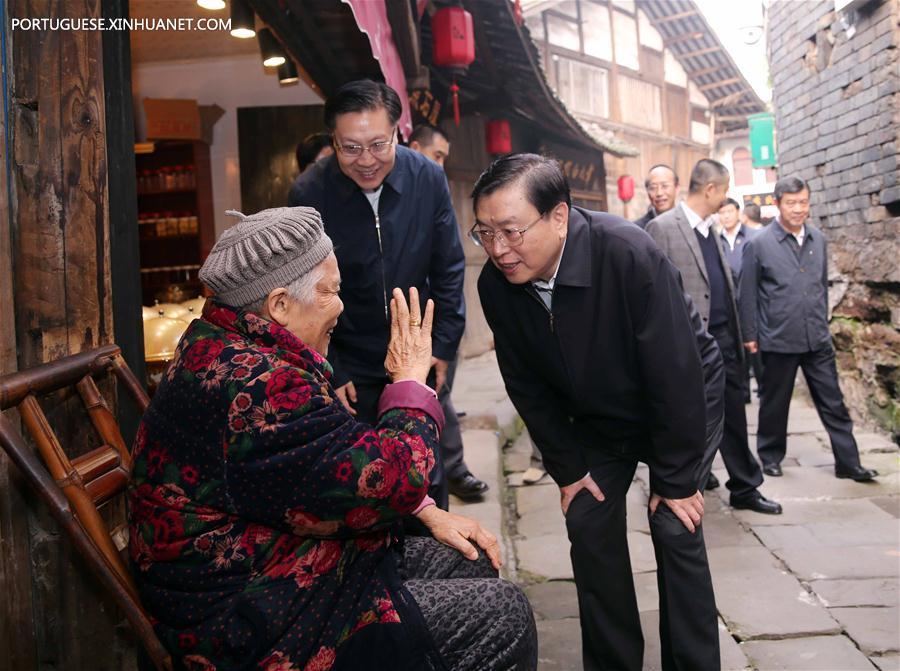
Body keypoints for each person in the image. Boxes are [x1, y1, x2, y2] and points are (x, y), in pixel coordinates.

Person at [128, 206, 537, 671]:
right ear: (280, 305)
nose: (341, 306)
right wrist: (409, 381)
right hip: (254, 618)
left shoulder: (217, 340)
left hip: (283, 565)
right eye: (330, 292)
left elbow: (328, 459)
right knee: (504, 616)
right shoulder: (262, 385)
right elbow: (391, 479)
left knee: (472, 559)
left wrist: (424, 509)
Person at [475, 154, 723, 671]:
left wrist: (676, 480)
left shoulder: (628, 253)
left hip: (677, 399)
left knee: (675, 525)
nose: (498, 249)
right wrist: (567, 468)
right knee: (587, 518)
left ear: (558, 217)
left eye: (512, 232)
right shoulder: (496, 285)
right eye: (485, 233)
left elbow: (675, 370)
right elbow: (525, 384)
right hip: (596, 416)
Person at [287, 79, 479, 507]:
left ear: (397, 132)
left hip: (416, 350)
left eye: (379, 144)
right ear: (332, 140)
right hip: (350, 359)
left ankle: (432, 548)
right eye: (351, 148)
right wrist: (331, 368)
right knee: (363, 480)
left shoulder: (427, 177)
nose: (367, 160)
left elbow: (448, 267)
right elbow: (303, 294)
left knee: (425, 470)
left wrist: (442, 346)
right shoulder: (309, 193)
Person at [646, 161, 781, 516]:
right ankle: (680, 489)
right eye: (723, 190)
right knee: (692, 421)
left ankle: (745, 487)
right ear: (709, 190)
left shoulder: (711, 228)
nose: (725, 198)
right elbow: (652, 292)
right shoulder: (663, 227)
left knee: (733, 415)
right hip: (690, 345)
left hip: (725, 341)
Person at [740, 176, 878, 482]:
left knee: (833, 402)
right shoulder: (759, 244)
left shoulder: (818, 239)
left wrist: (822, 321)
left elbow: (821, 286)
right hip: (778, 336)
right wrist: (750, 335)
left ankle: (848, 462)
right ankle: (770, 456)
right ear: (777, 204)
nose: (798, 209)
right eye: (791, 203)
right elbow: (747, 294)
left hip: (816, 336)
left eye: (803, 202)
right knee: (775, 403)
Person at [407, 122, 488, 501]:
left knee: (440, 395)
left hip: (436, 323)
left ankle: (449, 471)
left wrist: (446, 336)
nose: (440, 165)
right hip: (402, 327)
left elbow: (450, 266)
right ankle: (438, 475)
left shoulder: (431, 191)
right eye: (436, 155)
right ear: (413, 148)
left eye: (443, 158)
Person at [718, 197, 763, 402]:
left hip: (752, 303)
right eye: (722, 213)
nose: (726, 216)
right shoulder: (716, 240)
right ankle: (743, 393)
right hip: (729, 306)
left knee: (757, 352)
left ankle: (764, 390)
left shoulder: (754, 237)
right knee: (736, 353)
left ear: (738, 213)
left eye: (729, 211)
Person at [633, 164, 679, 229]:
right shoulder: (638, 228)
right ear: (647, 191)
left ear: (677, 188)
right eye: (653, 188)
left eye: (664, 186)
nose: (659, 193)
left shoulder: (689, 223)